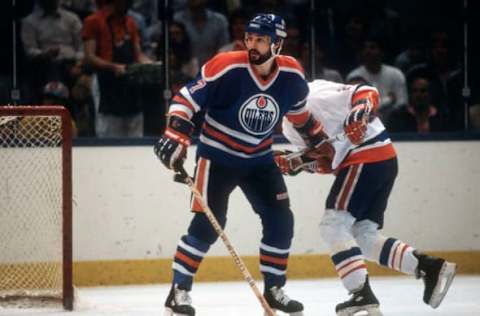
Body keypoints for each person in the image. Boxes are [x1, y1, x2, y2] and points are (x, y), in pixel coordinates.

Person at [154, 14, 332, 316]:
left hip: (259, 160)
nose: (252, 44)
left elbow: (300, 115)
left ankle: (274, 289)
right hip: (217, 158)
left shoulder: (292, 76)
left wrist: (319, 140)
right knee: (208, 226)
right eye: (249, 38)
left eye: (260, 39)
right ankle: (179, 292)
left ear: (277, 44)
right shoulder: (226, 65)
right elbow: (185, 100)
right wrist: (176, 132)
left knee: (280, 220)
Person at [277, 79, 456, 316]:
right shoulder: (287, 126)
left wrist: (359, 111)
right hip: (380, 159)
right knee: (363, 235)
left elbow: (367, 91)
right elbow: (329, 162)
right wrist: (299, 163)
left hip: (366, 155)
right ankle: (429, 267)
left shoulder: (315, 92)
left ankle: (360, 293)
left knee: (333, 225)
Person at [82, 0, 151, 137]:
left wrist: (149, 64)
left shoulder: (130, 22)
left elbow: (138, 54)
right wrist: (113, 67)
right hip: (105, 83)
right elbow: (89, 56)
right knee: (108, 129)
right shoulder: (93, 21)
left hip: (130, 83)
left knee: (134, 127)